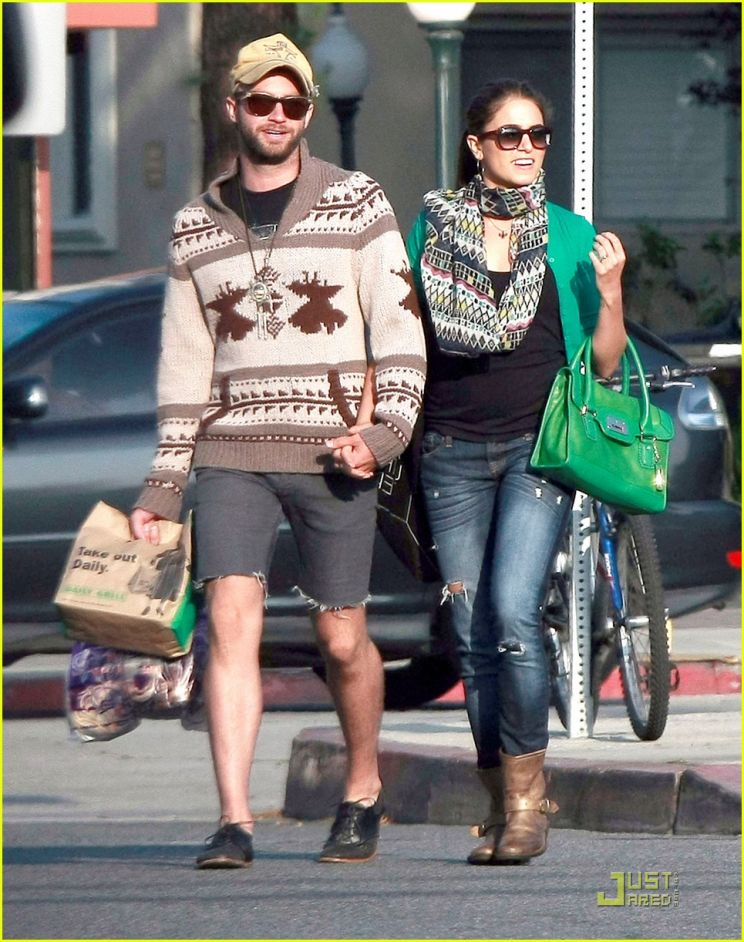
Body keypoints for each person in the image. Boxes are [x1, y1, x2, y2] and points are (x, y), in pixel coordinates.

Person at [130, 33, 426, 869]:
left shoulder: (357, 204)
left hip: (336, 453)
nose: (278, 115)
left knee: (342, 638)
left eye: (293, 104)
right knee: (231, 625)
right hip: (232, 453)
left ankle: (361, 790)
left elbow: (399, 329)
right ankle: (234, 820)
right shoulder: (195, 225)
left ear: (307, 113)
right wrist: (163, 484)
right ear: (234, 108)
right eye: (263, 101)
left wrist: (385, 433)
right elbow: (184, 362)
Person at [406, 79, 627, 865]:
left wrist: (610, 291)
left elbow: (605, 363)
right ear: (477, 145)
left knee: (512, 616)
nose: (528, 147)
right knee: (469, 632)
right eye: (510, 135)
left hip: (539, 451)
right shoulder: (433, 227)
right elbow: (403, 336)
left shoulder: (569, 234)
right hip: (449, 452)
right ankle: (498, 801)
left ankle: (530, 807)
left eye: (538, 135)